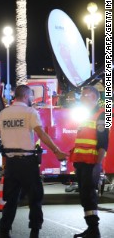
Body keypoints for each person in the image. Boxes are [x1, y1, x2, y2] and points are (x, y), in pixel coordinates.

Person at [0, 85, 68, 238]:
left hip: (11, 164)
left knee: (10, 200)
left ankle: (4, 231)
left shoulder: (4, 113)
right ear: (25, 96)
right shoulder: (30, 112)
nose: (32, 99)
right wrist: (56, 151)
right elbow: (42, 134)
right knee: (35, 198)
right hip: (28, 163)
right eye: (31, 96)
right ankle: (34, 231)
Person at [71, 86, 108, 238]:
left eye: (85, 95)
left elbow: (103, 143)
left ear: (93, 97)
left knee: (88, 196)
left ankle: (94, 229)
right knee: (84, 196)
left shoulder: (102, 115)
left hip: (91, 163)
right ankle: (91, 228)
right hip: (81, 162)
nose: (82, 98)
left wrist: (98, 165)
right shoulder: (86, 115)